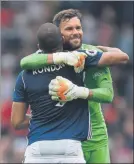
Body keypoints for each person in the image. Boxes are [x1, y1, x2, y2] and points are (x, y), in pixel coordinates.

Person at [19, 9, 129, 163]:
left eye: (78, 28)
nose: (76, 32)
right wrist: (61, 57)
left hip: (96, 137)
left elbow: (108, 94)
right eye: (69, 29)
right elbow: (25, 62)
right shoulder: (45, 57)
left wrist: (80, 92)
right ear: (58, 34)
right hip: (68, 140)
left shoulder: (92, 55)